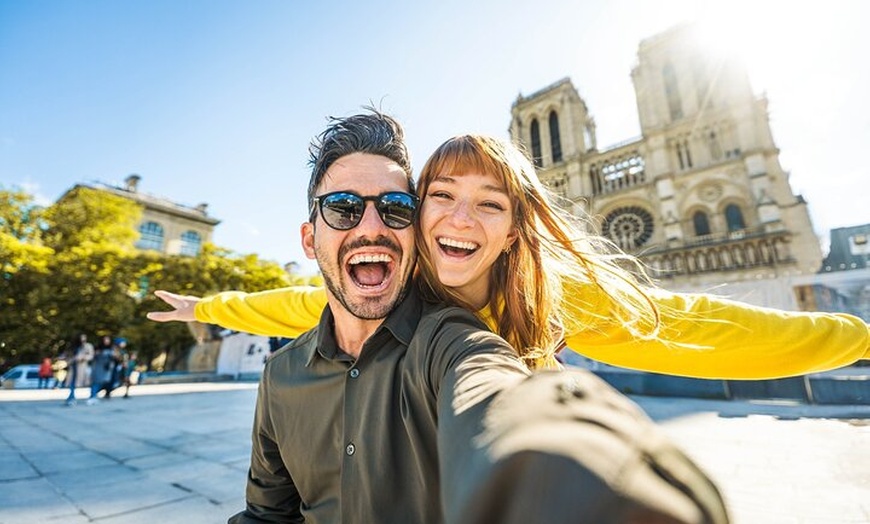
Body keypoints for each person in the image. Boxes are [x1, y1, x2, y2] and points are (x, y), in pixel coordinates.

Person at [151, 109, 729, 523]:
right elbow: (267, 515)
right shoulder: (281, 378)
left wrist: (598, 469)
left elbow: (498, 395)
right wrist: (203, 307)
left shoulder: (450, 340)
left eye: (396, 207)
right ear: (310, 238)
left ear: (414, 232)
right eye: (344, 208)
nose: (371, 226)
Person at [149, 136, 869, 380]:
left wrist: (858, 339)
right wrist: (207, 307)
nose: (462, 217)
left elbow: (698, 328)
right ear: (417, 211)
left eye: (491, 204)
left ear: (515, 230)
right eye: (442, 197)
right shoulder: (389, 288)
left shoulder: (546, 295)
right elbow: (296, 304)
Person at [65, 334, 94, 406]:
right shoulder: (73, 347)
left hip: (82, 367)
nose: (83, 340)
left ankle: (92, 396)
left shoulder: (88, 346)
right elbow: (67, 356)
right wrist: (71, 360)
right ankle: (71, 398)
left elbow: (91, 356)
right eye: (82, 338)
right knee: (72, 382)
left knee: (88, 382)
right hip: (73, 367)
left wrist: (83, 357)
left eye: (84, 338)